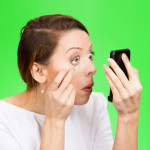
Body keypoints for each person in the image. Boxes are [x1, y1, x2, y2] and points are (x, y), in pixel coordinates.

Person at [0, 14, 142, 150]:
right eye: (75, 59)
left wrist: (128, 115)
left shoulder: (94, 105)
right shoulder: (4, 120)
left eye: (90, 55)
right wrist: (55, 121)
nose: (92, 69)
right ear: (39, 72)